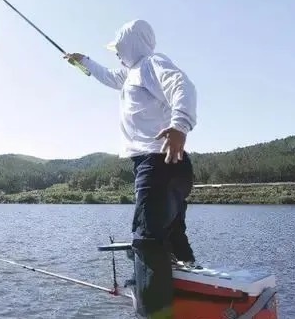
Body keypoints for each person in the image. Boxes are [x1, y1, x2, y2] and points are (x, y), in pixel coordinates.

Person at [64, 19, 197, 318]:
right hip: (166, 165)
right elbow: (108, 76)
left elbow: (182, 85)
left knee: (147, 241)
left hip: (157, 162)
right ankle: (195, 289)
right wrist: (81, 60)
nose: (116, 54)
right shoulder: (130, 74)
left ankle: (154, 313)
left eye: (119, 48)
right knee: (172, 234)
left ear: (131, 43)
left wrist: (180, 125)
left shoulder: (152, 63)